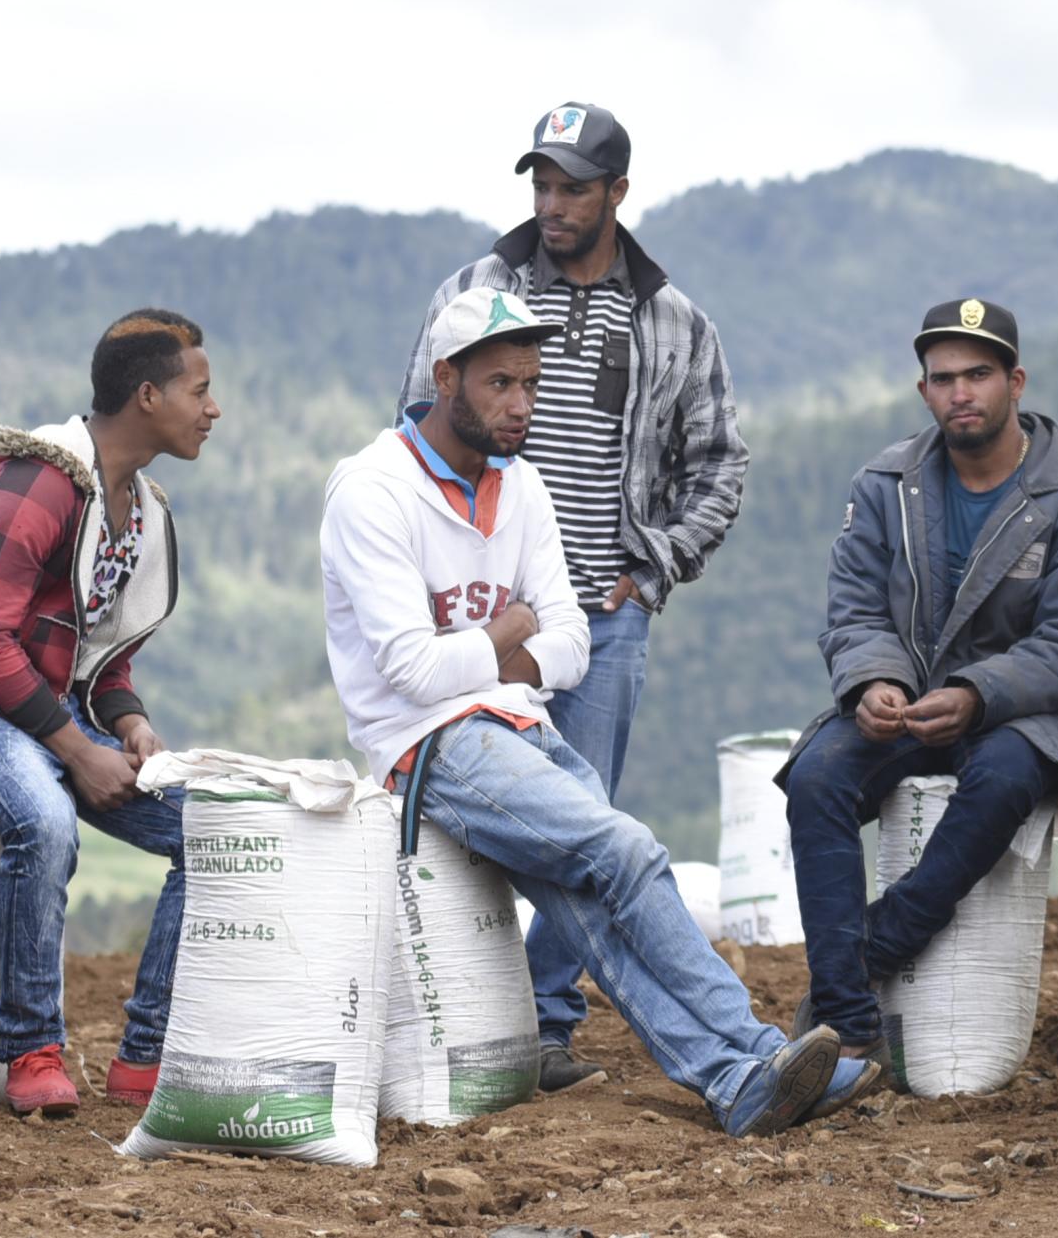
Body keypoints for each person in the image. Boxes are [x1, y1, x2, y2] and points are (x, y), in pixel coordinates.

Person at [329, 287, 874, 1136]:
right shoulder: (374, 489)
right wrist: (509, 629)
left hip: (518, 723)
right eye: (500, 384)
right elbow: (410, 671)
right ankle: (763, 1046)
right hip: (430, 743)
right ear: (445, 378)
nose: (521, 404)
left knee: (588, 902)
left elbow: (572, 642)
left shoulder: (523, 486)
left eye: (530, 383)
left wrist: (488, 648)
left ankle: (739, 1084)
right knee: (627, 850)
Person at [396, 102, 750, 1091]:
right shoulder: (477, 292)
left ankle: (546, 1024)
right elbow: (416, 421)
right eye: (541, 185)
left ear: (617, 193)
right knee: (520, 818)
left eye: (573, 188)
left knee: (587, 813)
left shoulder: (672, 320)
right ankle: (473, 1013)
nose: (552, 205)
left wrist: (654, 566)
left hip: (601, 612)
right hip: (478, 613)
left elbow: (720, 462)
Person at [0, 309, 220, 1115]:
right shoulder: (39, 483)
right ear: (148, 396)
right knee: (44, 820)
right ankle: (32, 1048)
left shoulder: (137, 510)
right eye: (200, 390)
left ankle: (144, 1055)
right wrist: (79, 750)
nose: (213, 409)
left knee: (208, 829)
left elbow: (102, 657)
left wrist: (129, 722)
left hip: (46, 708)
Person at [777, 299, 1058, 1064]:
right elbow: (854, 609)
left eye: (979, 374)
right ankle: (849, 1026)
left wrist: (978, 693)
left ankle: (875, 945)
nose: (962, 392)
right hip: (907, 703)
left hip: (1020, 715)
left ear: (1016, 382)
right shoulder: (886, 484)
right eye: (944, 378)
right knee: (817, 775)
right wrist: (874, 681)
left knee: (1007, 774)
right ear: (924, 391)